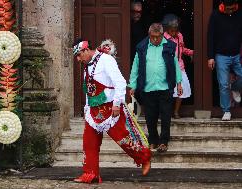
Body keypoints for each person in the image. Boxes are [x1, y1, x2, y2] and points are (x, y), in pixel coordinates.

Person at [73, 39, 151, 184]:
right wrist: (87, 108)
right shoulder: (87, 66)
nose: (78, 59)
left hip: (110, 109)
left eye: (79, 55)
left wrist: (117, 104)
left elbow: (120, 82)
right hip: (93, 112)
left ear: (86, 50)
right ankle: (91, 174)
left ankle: (144, 157)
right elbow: (89, 90)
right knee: (89, 143)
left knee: (123, 139)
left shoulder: (106, 60)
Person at [129, 23, 183, 152]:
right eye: (152, 37)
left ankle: (164, 141)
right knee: (150, 117)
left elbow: (176, 65)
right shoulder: (142, 47)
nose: (155, 40)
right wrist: (132, 85)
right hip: (148, 88)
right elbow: (135, 66)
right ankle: (153, 140)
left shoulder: (169, 46)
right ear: (149, 35)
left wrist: (179, 83)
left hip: (165, 87)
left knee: (165, 116)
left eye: (157, 37)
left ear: (162, 35)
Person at [207, 0, 242, 121]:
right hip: (221, 55)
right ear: (223, 6)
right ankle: (226, 111)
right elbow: (210, 36)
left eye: (232, 8)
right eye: (228, 9)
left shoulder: (239, 14)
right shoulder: (215, 15)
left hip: (237, 54)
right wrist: (210, 56)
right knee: (223, 84)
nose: (230, 11)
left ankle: (235, 88)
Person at [162, 14, 194, 119]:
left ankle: (176, 111)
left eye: (176, 30)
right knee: (167, 91)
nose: (174, 33)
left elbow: (182, 49)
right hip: (167, 67)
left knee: (182, 89)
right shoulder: (163, 37)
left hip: (179, 66)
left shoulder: (180, 36)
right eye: (172, 31)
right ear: (167, 29)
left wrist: (192, 52)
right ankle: (166, 112)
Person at [131, 0, 146, 67]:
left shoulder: (144, 24)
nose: (138, 14)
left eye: (140, 12)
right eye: (135, 12)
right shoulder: (124, 23)